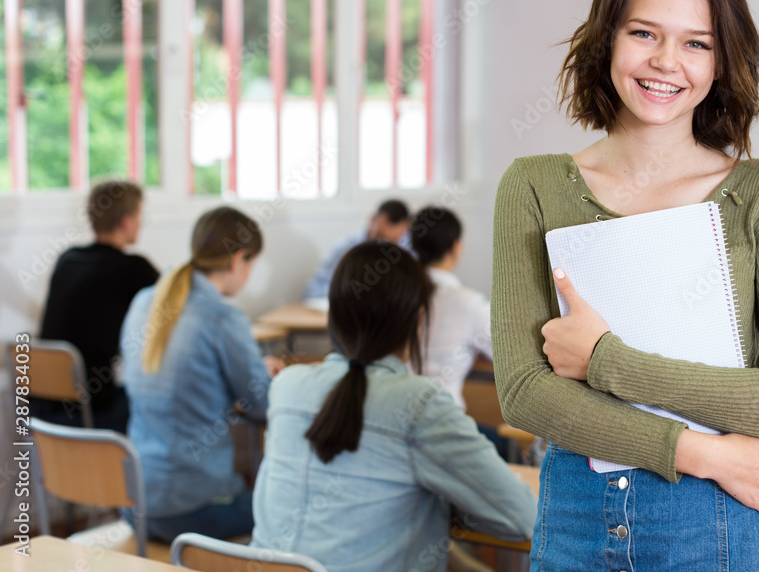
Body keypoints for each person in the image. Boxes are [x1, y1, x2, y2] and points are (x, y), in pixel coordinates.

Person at [491, 0, 759, 570]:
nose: (665, 62)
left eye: (696, 43)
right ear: (607, 40)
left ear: (722, 62)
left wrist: (604, 360)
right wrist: (704, 452)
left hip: (730, 527)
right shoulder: (533, 186)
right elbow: (524, 393)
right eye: (643, 33)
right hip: (580, 525)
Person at [252, 242, 536, 571]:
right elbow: (521, 519)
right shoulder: (420, 405)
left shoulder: (287, 386)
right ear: (418, 318)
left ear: (333, 315)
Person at [119, 206, 283, 542]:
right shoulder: (222, 317)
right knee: (286, 513)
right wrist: (266, 378)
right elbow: (261, 405)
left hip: (136, 503)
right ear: (239, 259)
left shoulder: (142, 301)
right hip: (192, 511)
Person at [37, 179, 159, 433]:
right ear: (126, 221)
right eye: (139, 215)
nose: (141, 223)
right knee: (160, 404)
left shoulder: (67, 259)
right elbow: (179, 303)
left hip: (41, 409)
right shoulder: (133, 268)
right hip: (92, 410)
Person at [409, 206, 492, 411]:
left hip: (396, 414)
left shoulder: (396, 293)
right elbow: (505, 352)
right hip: (444, 419)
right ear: (456, 247)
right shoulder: (468, 303)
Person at [302, 199, 411, 300]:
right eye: (380, 237)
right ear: (372, 220)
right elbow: (313, 291)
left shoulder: (405, 253)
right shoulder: (345, 248)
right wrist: (346, 294)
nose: (381, 248)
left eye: (391, 243)